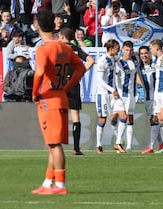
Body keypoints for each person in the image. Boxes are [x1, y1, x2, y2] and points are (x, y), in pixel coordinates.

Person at [30, 10, 86, 195]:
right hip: (60, 96)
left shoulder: (43, 49)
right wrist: (68, 85)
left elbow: (39, 73)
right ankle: (48, 182)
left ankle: (60, 185)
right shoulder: (64, 47)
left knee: (54, 144)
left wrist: (34, 93)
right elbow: (81, 68)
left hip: (48, 99)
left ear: (37, 25)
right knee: (51, 144)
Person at [58, 27, 95, 155]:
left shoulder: (59, 48)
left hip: (61, 84)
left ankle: (56, 146)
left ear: (62, 37)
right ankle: (76, 148)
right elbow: (91, 60)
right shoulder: (75, 50)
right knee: (75, 116)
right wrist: (80, 73)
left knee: (59, 114)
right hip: (73, 84)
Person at [95, 39, 121, 154]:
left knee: (115, 117)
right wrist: (112, 89)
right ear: (111, 48)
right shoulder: (102, 61)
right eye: (117, 48)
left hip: (112, 94)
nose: (118, 50)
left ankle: (118, 143)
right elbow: (99, 80)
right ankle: (98, 145)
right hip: (103, 94)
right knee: (103, 119)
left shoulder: (113, 58)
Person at [114, 40, 138, 153]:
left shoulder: (135, 61)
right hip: (120, 95)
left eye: (130, 50)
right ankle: (118, 142)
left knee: (130, 119)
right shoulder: (118, 63)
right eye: (127, 50)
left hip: (132, 95)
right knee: (122, 117)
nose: (129, 52)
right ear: (122, 50)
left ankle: (128, 145)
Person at [138, 46, 163, 154]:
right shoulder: (139, 68)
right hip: (148, 99)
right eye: (142, 54)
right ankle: (162, 143)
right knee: (153, 122)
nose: (144, 55)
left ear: (150, 54)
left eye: (146, 53)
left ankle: (151, 146)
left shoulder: (156, 65)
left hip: (158, 98)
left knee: (156, 121)